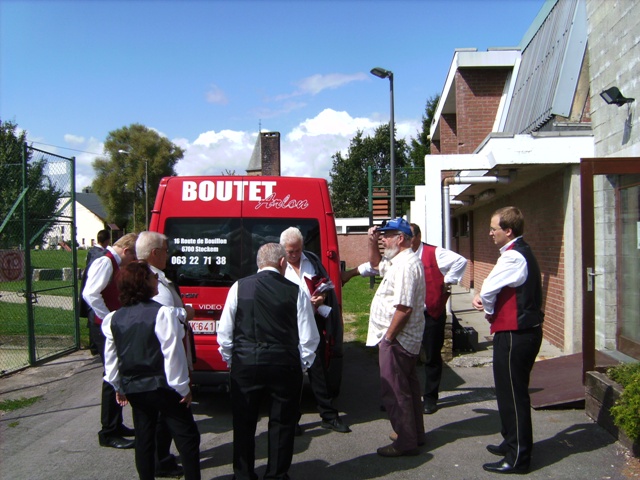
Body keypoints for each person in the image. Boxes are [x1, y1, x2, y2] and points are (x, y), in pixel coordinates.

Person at [217, 243, 319, 480]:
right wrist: (301, 365)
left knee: (243, 422)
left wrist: (232, 360)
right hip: (284, 364)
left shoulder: (239, 287)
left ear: (258, 263)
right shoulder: (297, 290)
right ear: (282, 262)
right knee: (282, 424)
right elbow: (309, 337)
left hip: (246, 362)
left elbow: (225, 332)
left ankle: (243, 474)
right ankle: (276, 474)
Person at [102, 261, 201, 480]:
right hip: (163, 386)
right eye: (152, 277)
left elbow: (112, 358)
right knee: (187, 437)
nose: (156, 280)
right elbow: (172, 354)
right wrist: (182, 388)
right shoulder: (162, 314)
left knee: (144, 438)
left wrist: (118, 385)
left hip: (135, 387)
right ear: (143, 282)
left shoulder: (114, 318)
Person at [472, 206, 544, 474]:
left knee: (514, 396)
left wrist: (488, 310)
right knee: (507, 391)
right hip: (517, 332)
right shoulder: (516, 253)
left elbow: (489, 288)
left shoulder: (513, 257)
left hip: (517, 333)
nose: (490, 233)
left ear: (508, 230)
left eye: (494, 228)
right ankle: (510, 441)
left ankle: (518, 458)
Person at [136, 231, 196, 478]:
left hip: (148, 367)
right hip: (162, 364)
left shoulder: (148, 278)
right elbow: (166, 321)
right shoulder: (155, 283)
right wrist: (186, 314)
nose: (169, 254)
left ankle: (161, 460)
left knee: (149, 427)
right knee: (173, 425)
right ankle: (161, 461)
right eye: (166, 250)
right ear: (154, 254)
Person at [279, 227, 350, 434]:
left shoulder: (312, 261)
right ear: (282, 248)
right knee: (291, 374)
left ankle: (328, 415)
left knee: (318, 370)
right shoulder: (278, 265)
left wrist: (322, 297)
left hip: (314, 321)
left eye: (297, 250)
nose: (293, 255)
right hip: (289, 325)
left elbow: (325, 284)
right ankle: (292, 421)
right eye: (290, 251)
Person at [366, 218, 426, 457]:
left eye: (388, 235)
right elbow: (375, 264)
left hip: (398, 339)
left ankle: (405, 442)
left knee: (395, 391)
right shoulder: (399, 260)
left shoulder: (405, 265)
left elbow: (404, 307)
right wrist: (372, 242)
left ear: (400, 238)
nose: (384, 239)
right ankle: (413, 434)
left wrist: (388, 338)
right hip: (403, 338)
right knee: (407, 388)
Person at [82, 233, 138, 450]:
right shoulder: (105, 262)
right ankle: (108, 431)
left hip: (107, 325)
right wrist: (108, 319)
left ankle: (116, 424)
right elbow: (91, 294)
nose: (132, 263)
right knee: (111, 375)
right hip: (103, 327)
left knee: (116, 373)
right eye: (133, 257)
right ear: (126, 251)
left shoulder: (111, 262)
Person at [409, 223, 467, 415]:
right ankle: (405, 396)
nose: (406, 241)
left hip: (431, 312)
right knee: (406, 356)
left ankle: (431, 398)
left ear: (418, 236)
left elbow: (461, 261)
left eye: (409, 236)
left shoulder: (435, 253)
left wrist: (447, 281)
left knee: (432, 357)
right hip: (409, 315)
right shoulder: (402, 256)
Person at [80, 229, 111, 354]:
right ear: (107, 240)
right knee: (94, 317)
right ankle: (94, 345)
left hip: (90, 285)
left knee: (92, 318)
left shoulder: (91, 252)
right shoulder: (102, 255)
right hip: (95, 288)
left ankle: (93, 344)